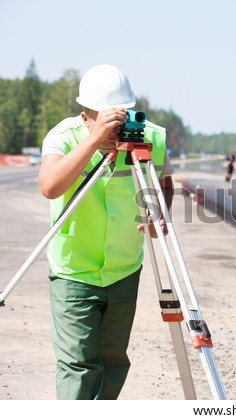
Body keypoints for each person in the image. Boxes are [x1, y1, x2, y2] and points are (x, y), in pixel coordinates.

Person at [38, 64, 174, 400]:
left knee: (114, 361)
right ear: (85, 115)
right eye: (107, 118)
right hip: (75, 270)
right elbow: (50, 187)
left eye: (122, 116)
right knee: (78, 363)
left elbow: (165, 183)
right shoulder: (63, 137)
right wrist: (95, 140)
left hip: (124, 267)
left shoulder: (150, 138)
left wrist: (159, 213)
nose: (118, 126)